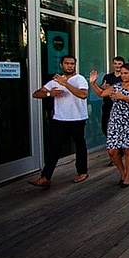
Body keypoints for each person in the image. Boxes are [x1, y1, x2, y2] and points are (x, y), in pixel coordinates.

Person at [28, 55, 89, 188]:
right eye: (67, 63)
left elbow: (83, 95)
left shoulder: (80, 79)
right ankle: (46, 177)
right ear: (61, 65)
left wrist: (65, 84)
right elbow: (36, 93)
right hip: (59, 119)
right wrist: (50, 94)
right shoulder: (54, 81)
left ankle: (82, 172)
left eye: (72, 64)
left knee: (79, 146)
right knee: (54, 148)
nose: (69, 66)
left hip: (77, 119)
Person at [89, 63, 129, 187]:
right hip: (116, 120)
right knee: (112, 150)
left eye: (125, 73)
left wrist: (123, 97)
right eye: (121, 73)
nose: (123, 75)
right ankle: (122, 171)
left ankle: (128, 175)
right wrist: (93, 83)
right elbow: (101, 94)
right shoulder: (117, 86)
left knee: (127, 149)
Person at [100, 56, 124, 137]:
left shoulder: (125, 77)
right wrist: (103, 88)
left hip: (120, 107)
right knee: (105, 127)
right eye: (115, 64)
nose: (117, 66)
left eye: (119, 64)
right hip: (108, 105)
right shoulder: (107, 77)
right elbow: (102, 90)